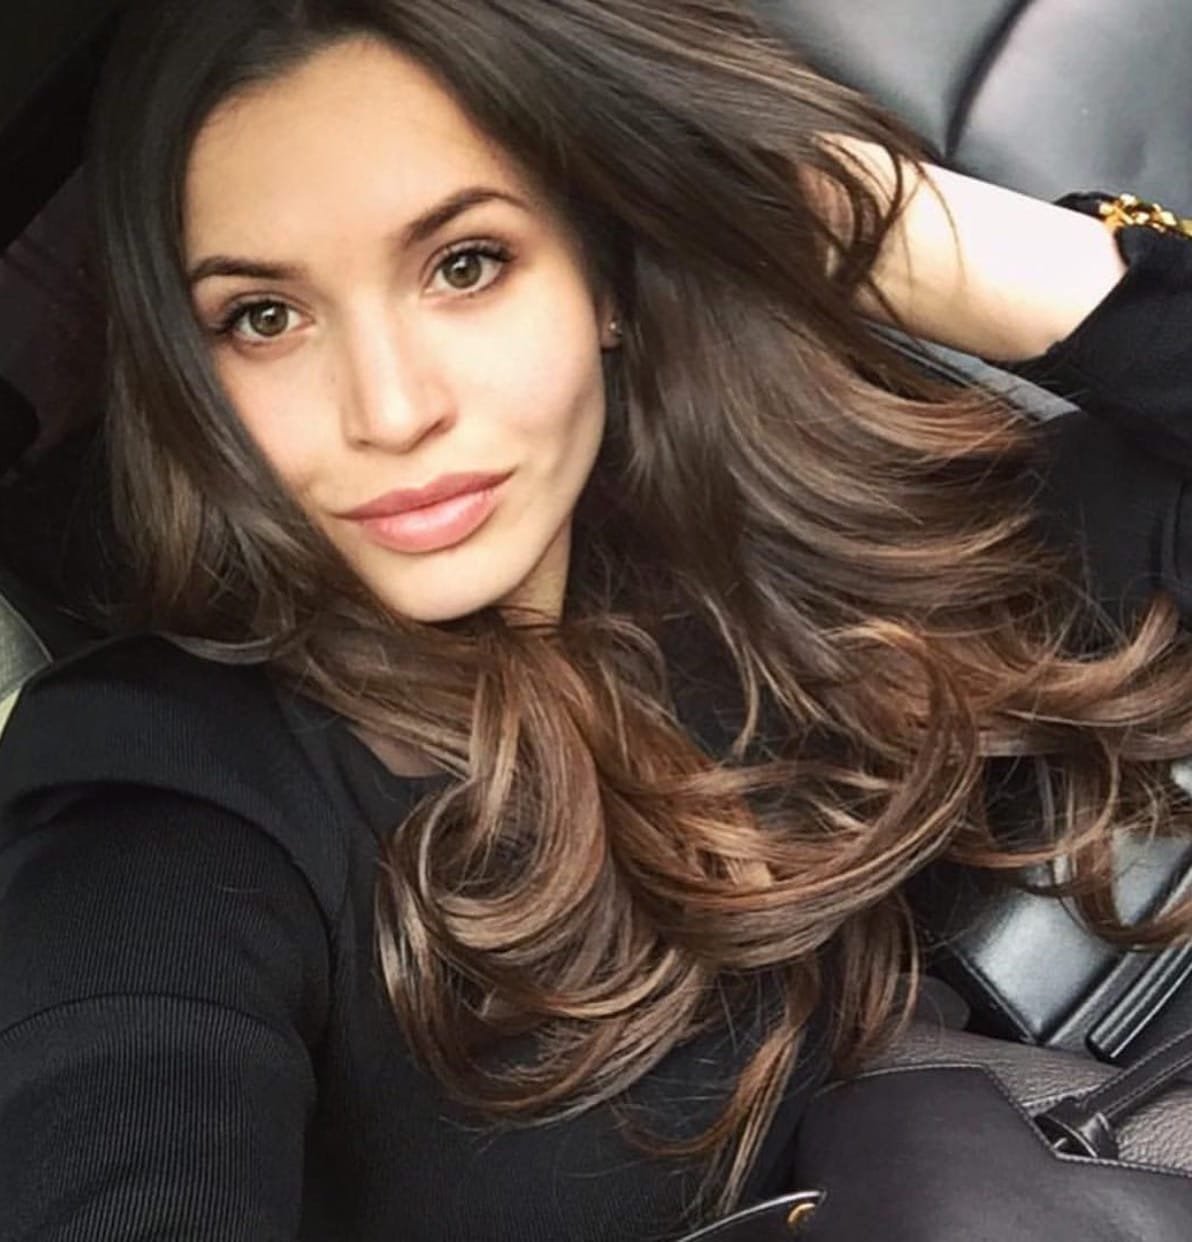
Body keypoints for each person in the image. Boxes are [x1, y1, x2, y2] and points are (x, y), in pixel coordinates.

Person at [2, 1, 1192, 1238]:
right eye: (264, 316)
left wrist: (858, 215)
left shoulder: (790, 586)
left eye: (466, 263)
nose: (390, 410)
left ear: (603, 282)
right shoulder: (170, 790)